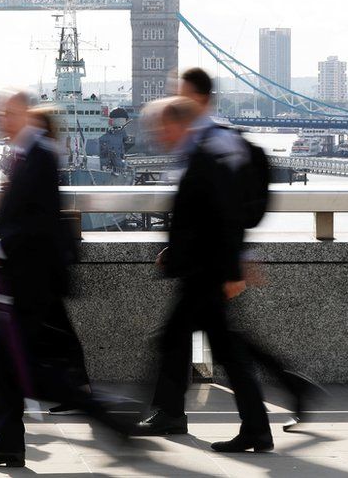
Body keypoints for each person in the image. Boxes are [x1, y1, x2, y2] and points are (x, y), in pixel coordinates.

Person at [0, 94, 130, 468]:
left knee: (23, 369)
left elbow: (37, 223)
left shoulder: (37, 156)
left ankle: (105, 414)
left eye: (7, 113)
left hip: (26, 279)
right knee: (3, 365)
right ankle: (7, 443)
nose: (0, 119)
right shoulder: (29, 153)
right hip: (23, 278)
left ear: (24, 115)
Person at [177, 67, 324, 431]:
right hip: (210, 257)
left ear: (199, 97)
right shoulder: (204, 137)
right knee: (225, 338)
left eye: (181, 93)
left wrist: (236, 262)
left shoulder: (217, 139)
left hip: (215, 259)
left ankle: (160, 415)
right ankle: (287, 393)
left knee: (211, 340)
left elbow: (228, 209)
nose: (176, 100)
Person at [135, 96, 273, 452]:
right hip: (201, 271)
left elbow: (224, 219)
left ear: (178, 124)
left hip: (206, 274)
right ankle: (255, 428)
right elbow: (199, 219)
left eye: (161, 126)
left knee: (172, 342)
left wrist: (230, 273)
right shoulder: (198, 156)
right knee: (224, 352)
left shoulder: (206, 158)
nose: (158, 134)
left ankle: (152, 418)